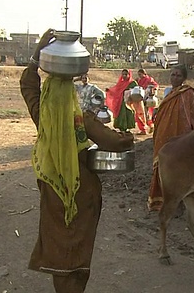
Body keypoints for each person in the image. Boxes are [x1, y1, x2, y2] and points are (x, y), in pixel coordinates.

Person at [20, 28, 134, 293]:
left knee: (59, 249)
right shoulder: (82, 120)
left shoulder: (42, 116)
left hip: (53, 192)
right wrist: (127, 136)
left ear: (48, 94)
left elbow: (28, 85)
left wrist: (38, 54)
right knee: (80, 250)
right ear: (71, 95)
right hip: (83, 194)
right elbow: (115, 142)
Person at [147, 65, 194, 211]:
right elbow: (164, 111)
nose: (175, 78)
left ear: (184, 78)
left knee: (178, 170)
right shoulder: (169, 93)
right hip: (163, 138)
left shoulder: (188, 93)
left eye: (178, 75)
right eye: (173, 75)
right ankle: (161, 201)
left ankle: (178, 203)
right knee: (162, 168)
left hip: (180, 139)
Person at [137, 68, 159, 133]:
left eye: (140, 74)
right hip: (141, 98)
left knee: (147, 113)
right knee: (143, 113)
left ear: (144, 73)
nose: (139, 76)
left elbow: (156, 85)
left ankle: (149, 126)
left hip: (148, 99)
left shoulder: (149, 79)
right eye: (139, 75)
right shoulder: (139, 80)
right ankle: (147, 127)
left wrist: (153, 89)